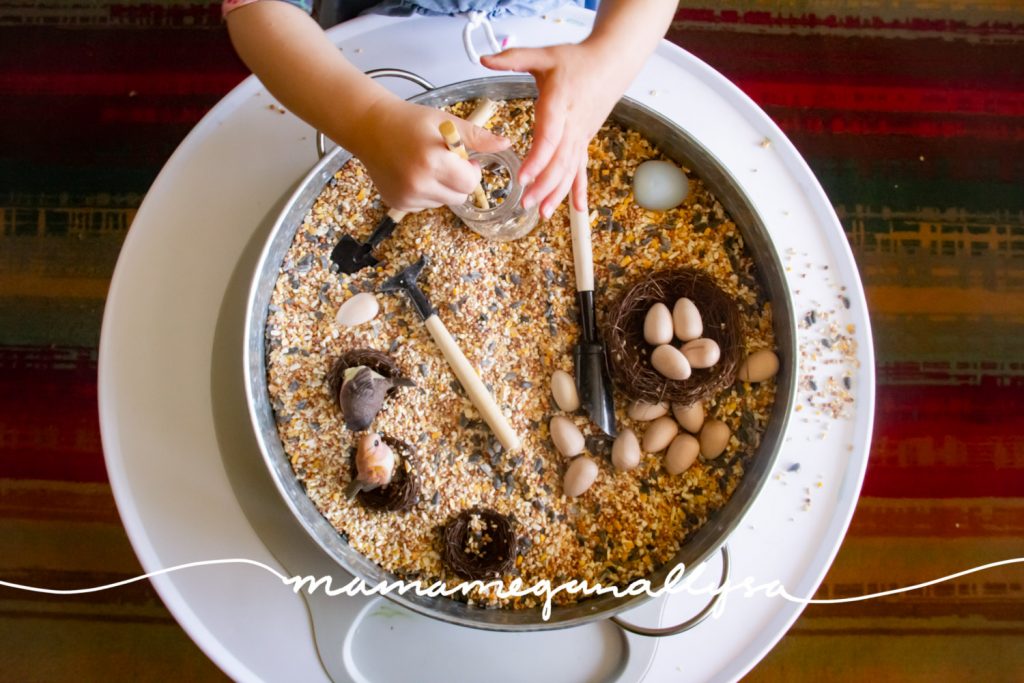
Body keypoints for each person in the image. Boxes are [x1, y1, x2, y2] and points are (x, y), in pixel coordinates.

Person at [224, 0, 676, 217]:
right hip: (363, 38)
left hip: (556, 21)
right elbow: (254, 9)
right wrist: (367, 123)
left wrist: (608, 60)